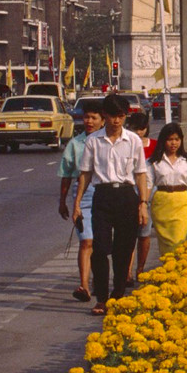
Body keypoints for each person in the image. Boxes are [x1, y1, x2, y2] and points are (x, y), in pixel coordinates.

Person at [72, 93, 150, 315]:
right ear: (104, 115)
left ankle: (118, 296)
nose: (116, 121)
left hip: (126, 196)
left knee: (123, 251)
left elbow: (141, 174)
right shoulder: (93, 141)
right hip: (102, 197)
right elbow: (85, 174)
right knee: (99, 249)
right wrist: (77, 204)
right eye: (113, 116)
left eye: (121, 116)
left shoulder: (133, 140)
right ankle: (102, 299)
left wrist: (143, 204)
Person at [58, 98, 103, 303]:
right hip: (82, 195)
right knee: (86, 240)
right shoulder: (75, 144)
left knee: (102, 243)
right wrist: (63, 201)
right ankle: (84, 285)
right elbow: (66, 174)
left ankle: (101, 280)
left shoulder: (107, 142)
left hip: (104, 192)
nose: (89, 121)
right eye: (86, 117)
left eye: (94, 118)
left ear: (103, 120)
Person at [147, 122, 187, 259]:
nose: (173, 143)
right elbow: (148, 185)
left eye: (177, 139)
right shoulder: (154, 162)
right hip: (161, 203)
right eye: (170, 139)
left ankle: (178, 267)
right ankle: (167, 267)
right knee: (165, 242)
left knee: (178, 240)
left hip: (182, 202)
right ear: (163, 140)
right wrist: (142, 204)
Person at [125, 112, 157, 287]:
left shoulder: (155, 146)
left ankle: (140, 269)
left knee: (144, 234)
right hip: (129, 193)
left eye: (142, 129)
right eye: (135, 129)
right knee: (129, 234)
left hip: (149, 194)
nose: (138, 132)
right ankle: (127, 272)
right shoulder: (125, 144)